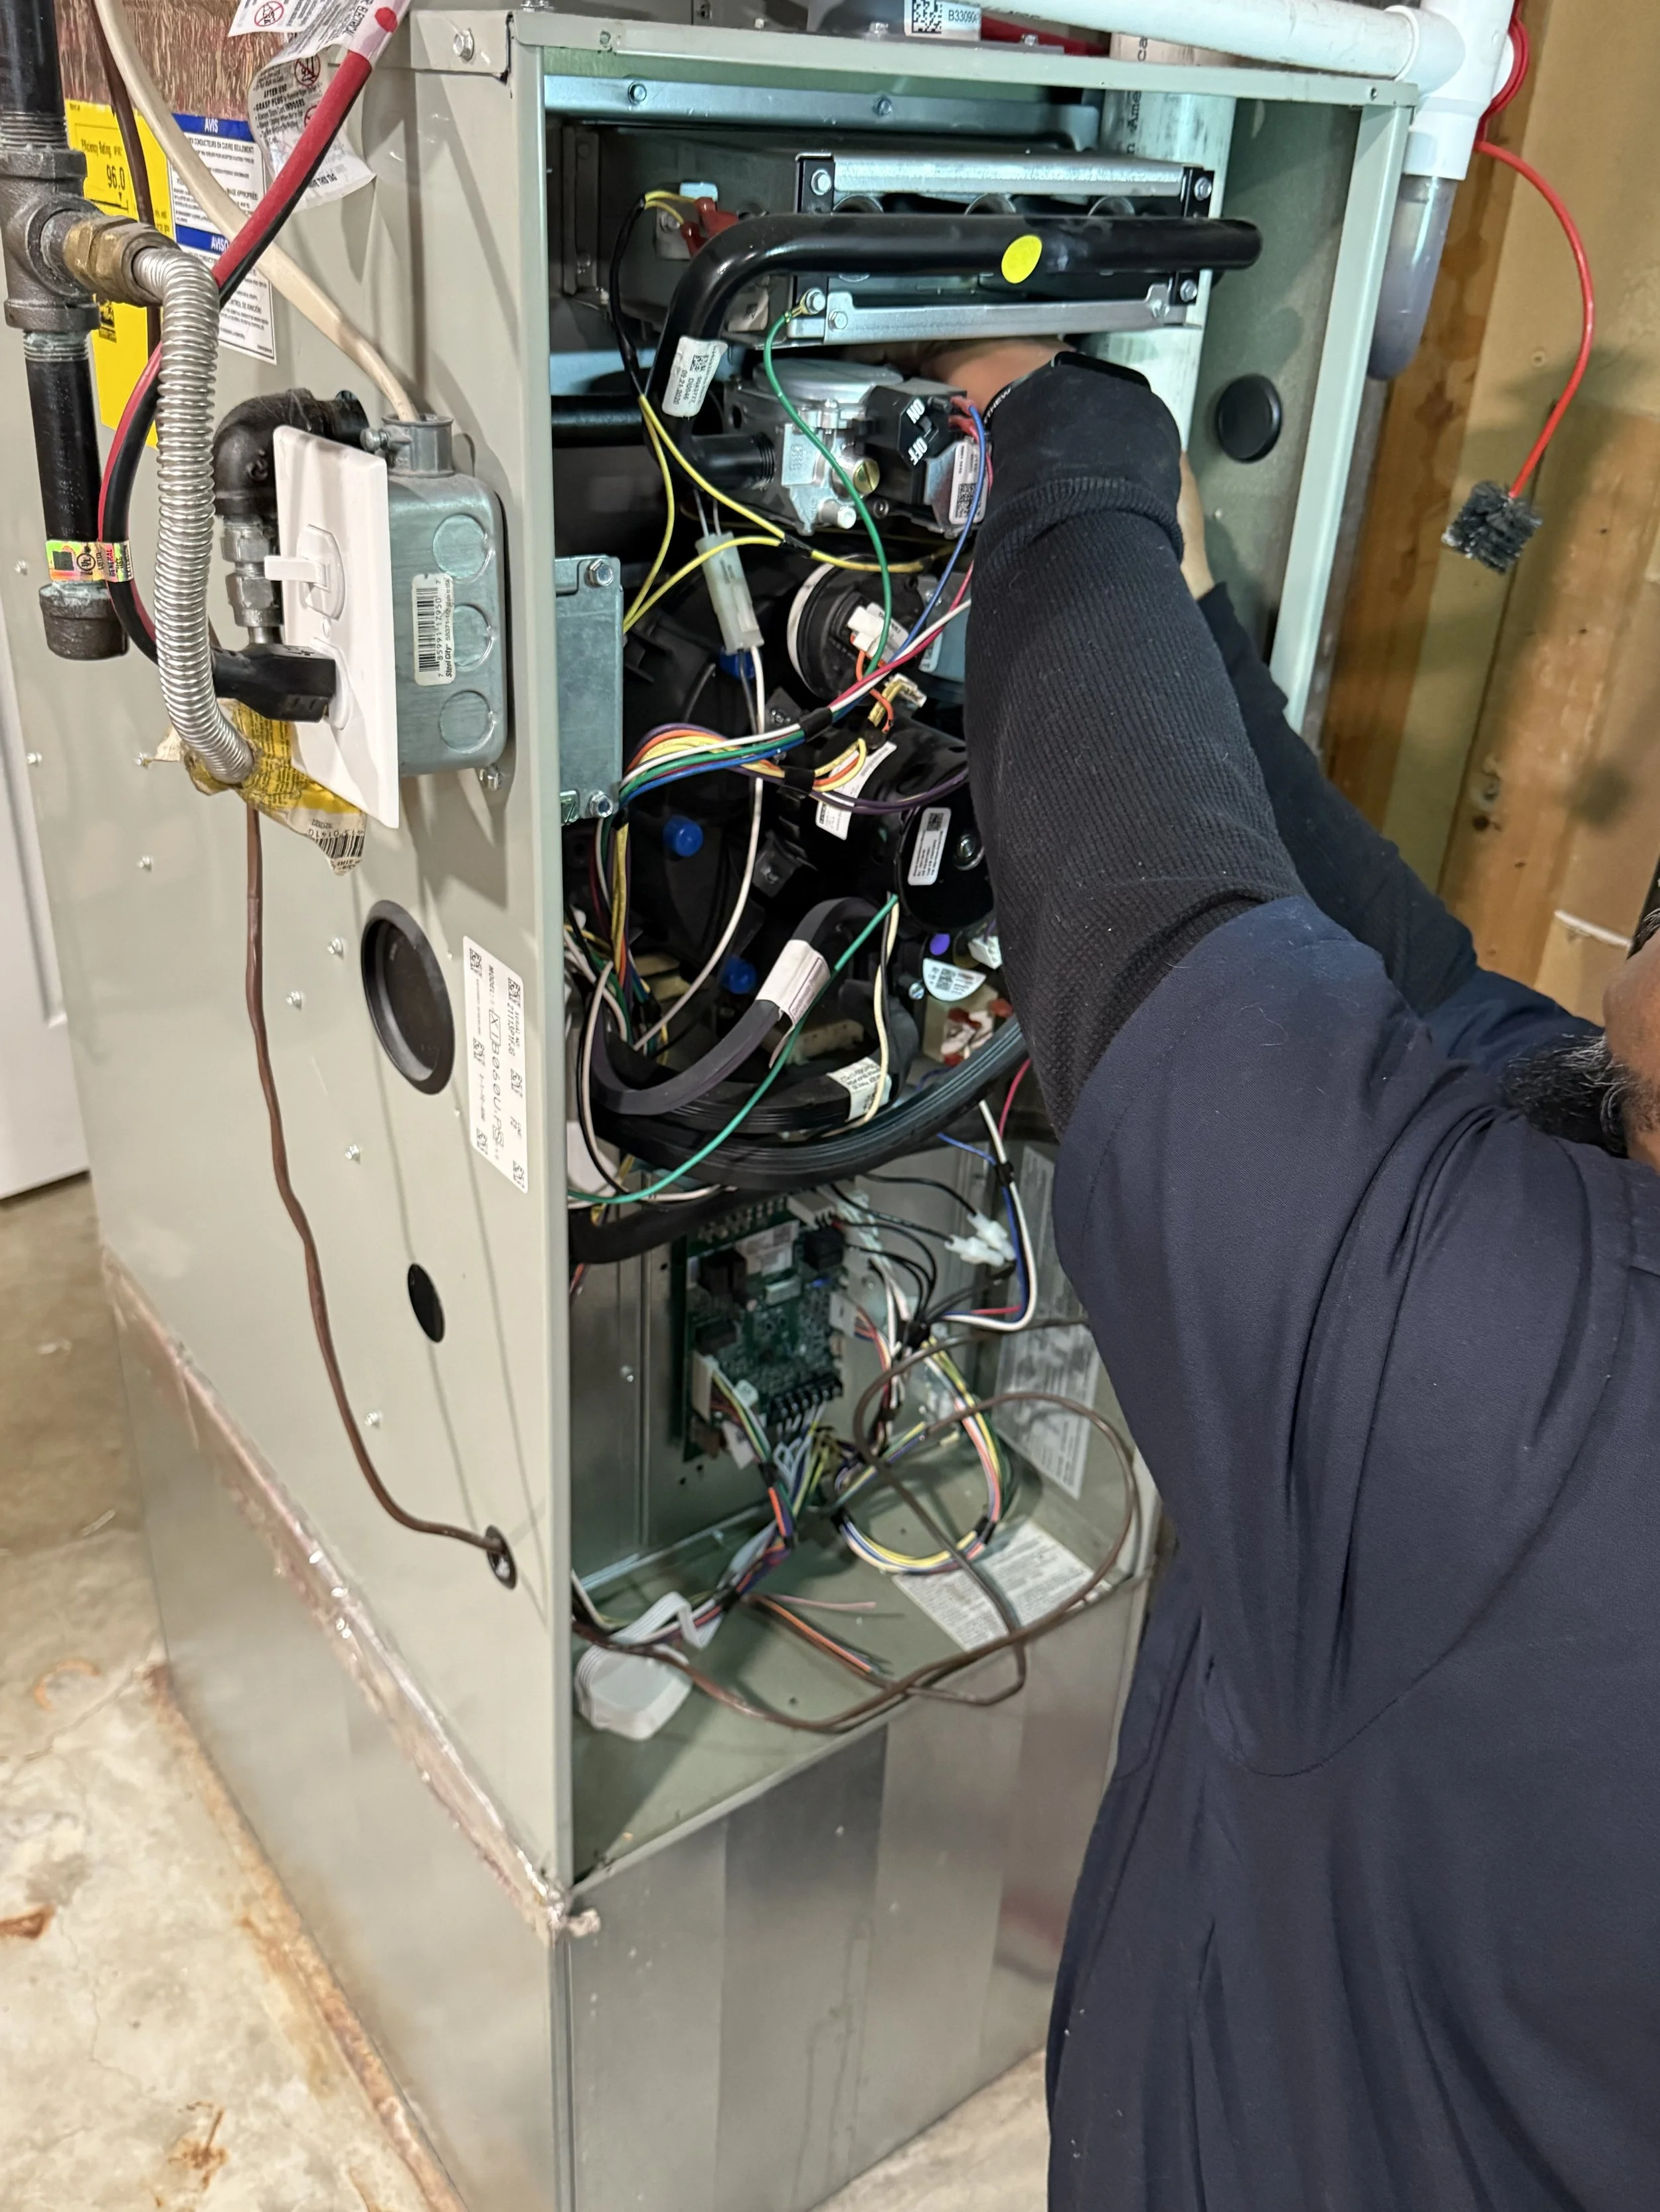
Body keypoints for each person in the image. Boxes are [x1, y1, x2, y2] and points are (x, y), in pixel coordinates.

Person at [932, 338, 1660, 2211]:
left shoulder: (1530, 1389)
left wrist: (1056, 436)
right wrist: (1183, 618)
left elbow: (1150, 917)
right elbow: (1402, 980)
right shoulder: (1579, 1175)